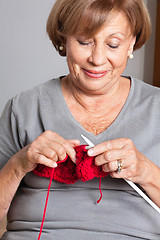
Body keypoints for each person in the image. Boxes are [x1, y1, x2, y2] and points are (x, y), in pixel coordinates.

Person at [0, 0, 160, 239]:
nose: (97, 59)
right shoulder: (23, 108)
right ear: (64, 39)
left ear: (132, 43)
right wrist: (19, 164)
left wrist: (146, 172)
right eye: (84, 42)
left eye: (113, 44)